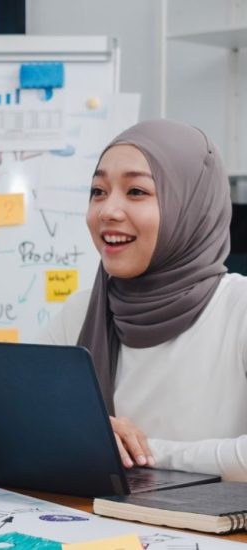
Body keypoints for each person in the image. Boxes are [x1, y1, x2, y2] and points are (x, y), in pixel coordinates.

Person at [40, 119, 247, 481]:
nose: (107, 211)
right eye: (98, 191)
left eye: (136, 191)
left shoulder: (239, 308)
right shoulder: (80, 312)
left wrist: (130, 449)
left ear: (192, 207)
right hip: (96, 530)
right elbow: (16, 424)